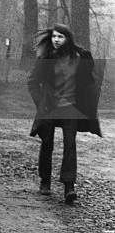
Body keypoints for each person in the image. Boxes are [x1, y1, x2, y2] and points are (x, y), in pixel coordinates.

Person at [28, 23, 101, 203]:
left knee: (70, 144)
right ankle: (45, 181)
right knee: (47, 142)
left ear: (67, 38)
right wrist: (41, 104)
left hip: (72, 108)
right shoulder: (46, 57)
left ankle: (69, 186)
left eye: (60, 37)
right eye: (54, 36)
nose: (56, 40)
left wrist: (88, 103)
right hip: (50, 108)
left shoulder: (80, 56)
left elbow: (89, 81)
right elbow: (32, 82)